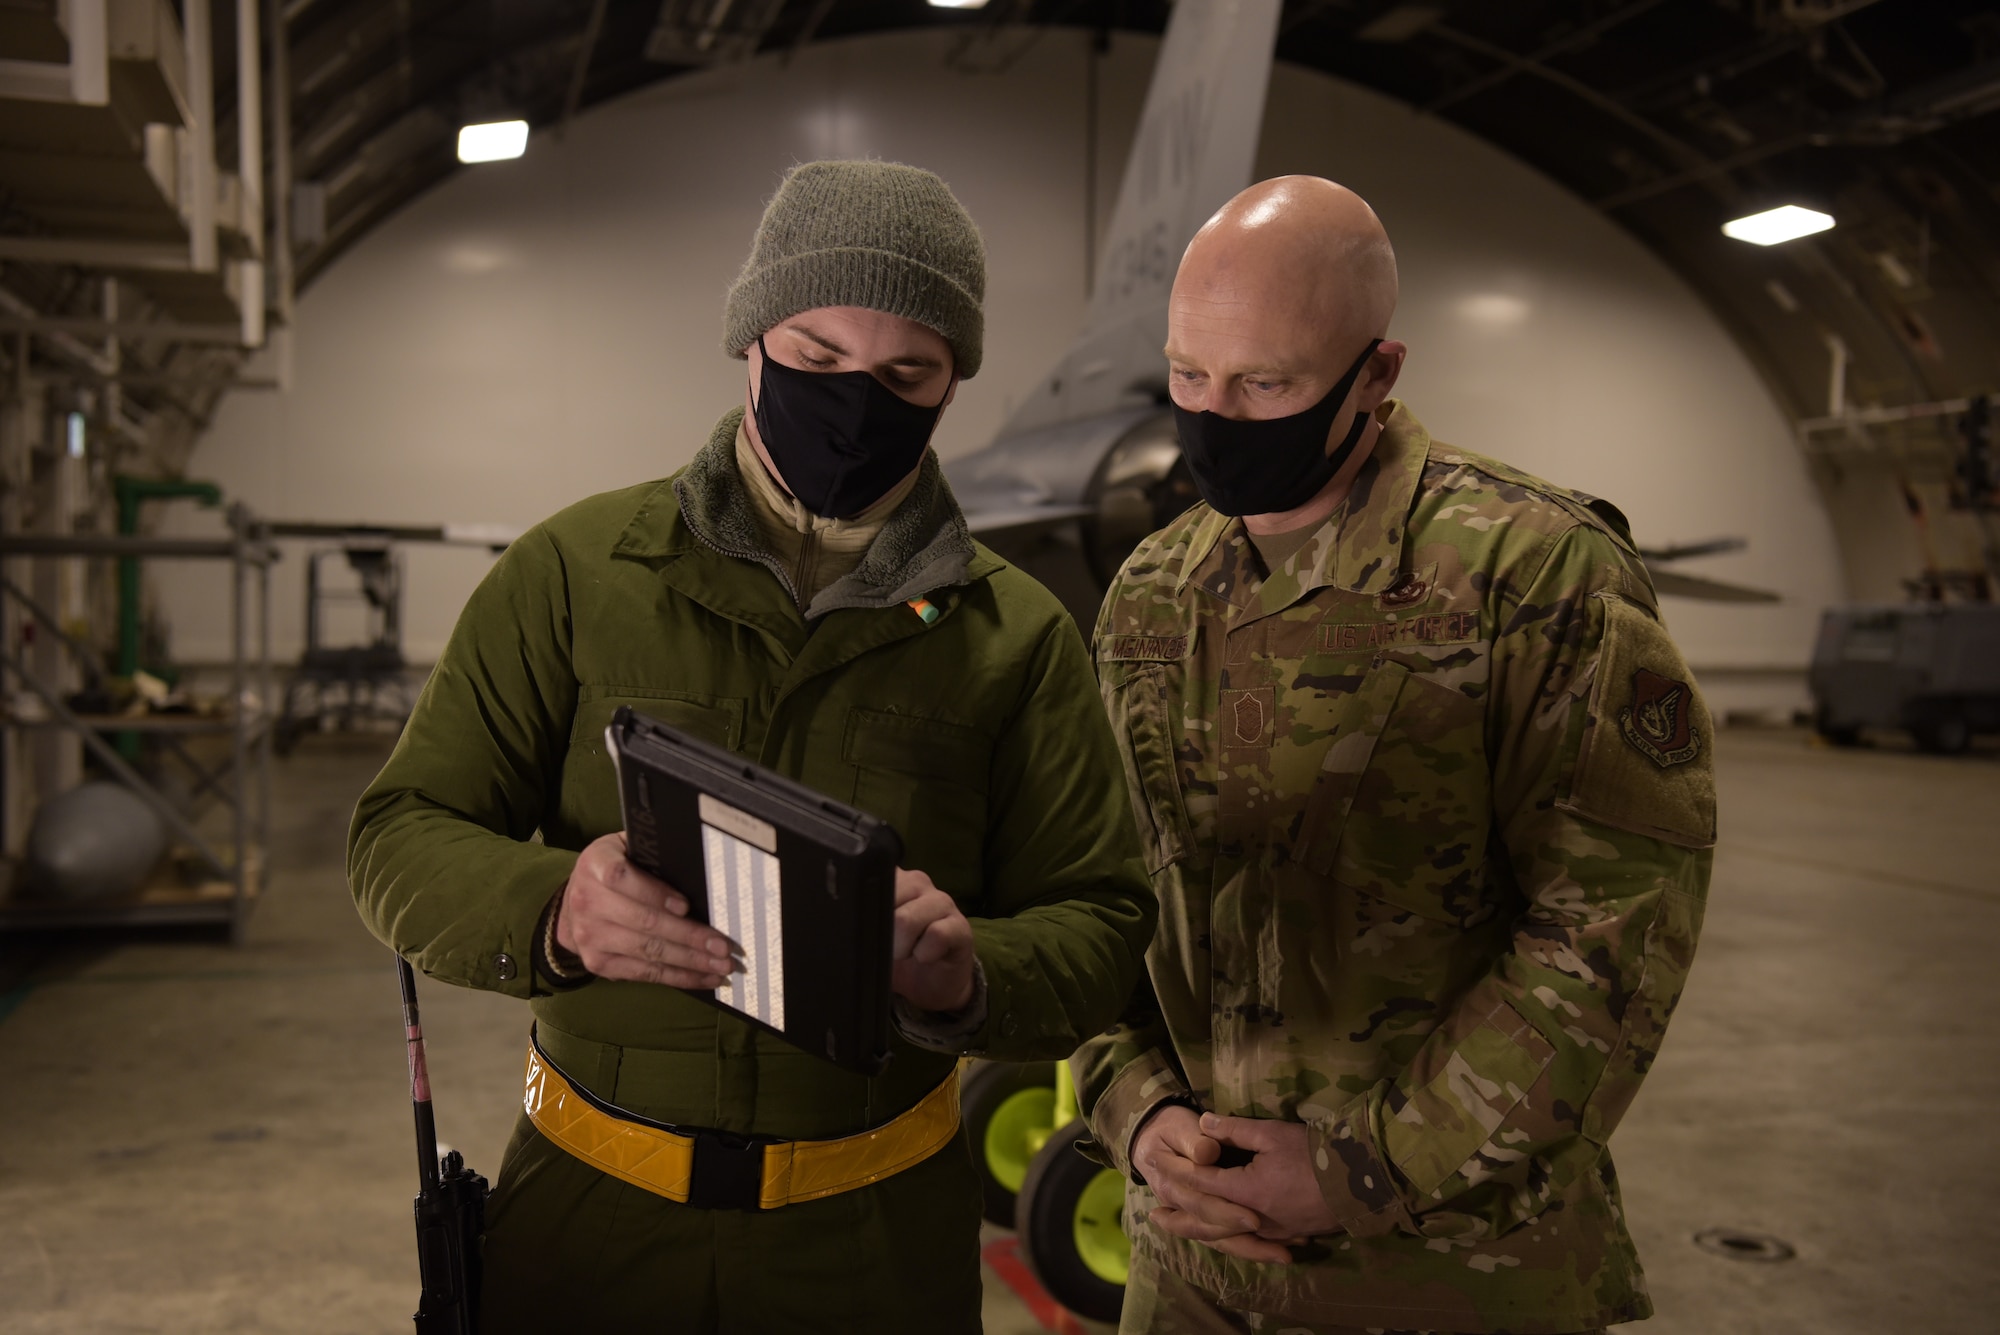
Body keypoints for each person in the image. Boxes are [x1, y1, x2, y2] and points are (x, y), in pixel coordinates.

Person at [349, 159, 1155, 1334]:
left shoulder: (1014, 638)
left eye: (905, 372)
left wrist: (967, 973)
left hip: (873, 1253)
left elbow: (1101, 922)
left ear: (949, 387)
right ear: (751, 344)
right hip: (584, 1229)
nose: (854, 400)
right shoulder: (572, 576)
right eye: (818, 359)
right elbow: (397, 834)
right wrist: (554, 906)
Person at [1074, 175, 1714, 1334]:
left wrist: (1357, 1170)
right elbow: (1105, 896)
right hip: (1190, 1270)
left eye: (1264, 383)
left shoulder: (1530, 573)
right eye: (1185, 375)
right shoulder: (1150, 597)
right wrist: (1137, 1112)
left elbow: (1614, 928)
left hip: (1449, 1272)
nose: (1212, 416)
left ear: (1375, 373)